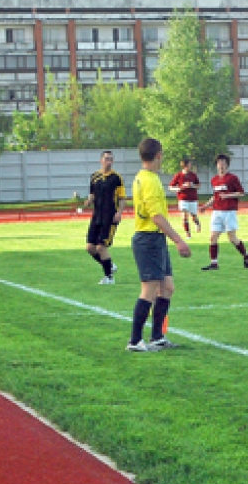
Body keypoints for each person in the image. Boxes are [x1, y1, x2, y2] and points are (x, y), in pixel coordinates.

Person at [128, 138, 191, 352]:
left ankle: (157, 337)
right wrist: (179, 240)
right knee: (149, 290)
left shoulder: (142, 177)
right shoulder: (150, 181)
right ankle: (135, 341)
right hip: (149, 238)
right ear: (158, 155)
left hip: (154, 239)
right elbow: (156, 216)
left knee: (167, 287)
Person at [200, 154, 248, 270]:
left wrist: (228, 195)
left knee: (232, 238)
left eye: (223, 162)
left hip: (229, 211)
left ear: (227, 164)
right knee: (213, 237)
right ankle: (214, 263)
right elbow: (215, 196)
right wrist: (205, 206)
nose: (221, 165)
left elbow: (241, 193)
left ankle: (246, 255)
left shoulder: (232, 178)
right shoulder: (214, 180)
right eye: (219, 162)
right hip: (217, 211)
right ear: (216, 165)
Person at [84, 150, 126, 284]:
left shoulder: (116, 177)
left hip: (110, 216)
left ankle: (109, 277)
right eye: (106, 158)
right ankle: (109, 266)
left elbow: (122, 198)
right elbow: (92, 193)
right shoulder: (94, 176)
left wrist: (119, 212)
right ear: (101, 160)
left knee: (101, 247)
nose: (109, 161)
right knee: (90, 248)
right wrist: (89, 200)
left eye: (111, 159)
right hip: (97, 216)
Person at [168, 158, 201, 238]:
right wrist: (179, 188)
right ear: (185, 166)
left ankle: (197, 224)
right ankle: (188, 233)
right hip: (183, 198)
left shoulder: (193, 175)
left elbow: (198, 185)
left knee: (193, 216)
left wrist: (192, 185)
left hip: (193, 199)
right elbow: (170, 187)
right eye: (189, 165)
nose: (190, 166)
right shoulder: (178, 175)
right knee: (184, 216)